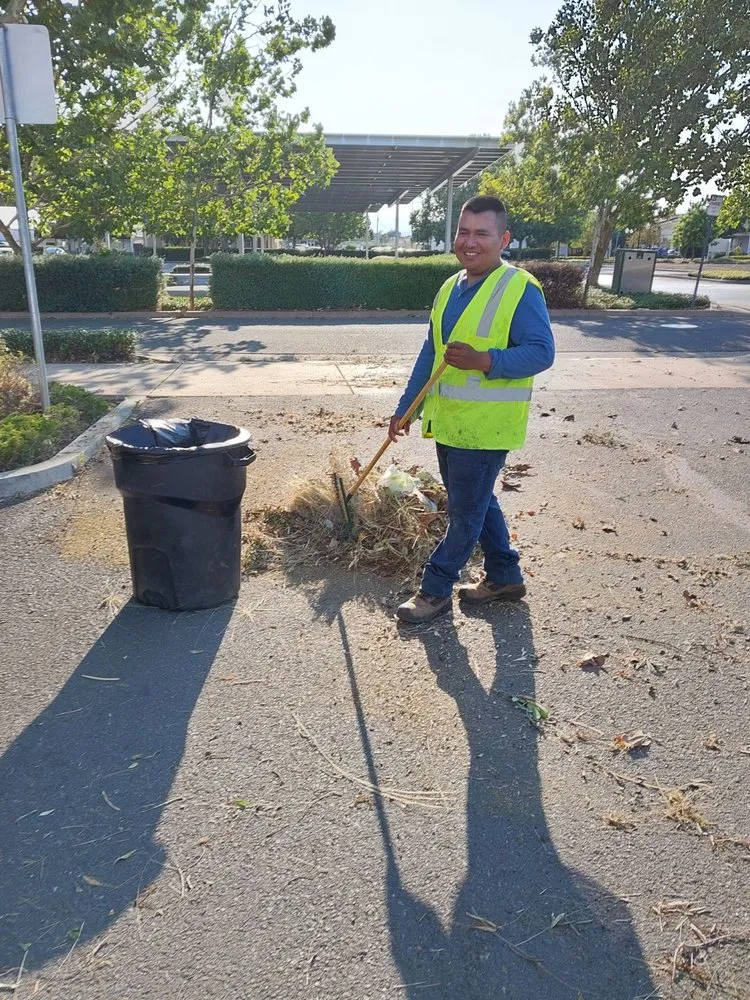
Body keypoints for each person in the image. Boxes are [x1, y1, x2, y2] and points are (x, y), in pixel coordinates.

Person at [390, 195, 555, 624]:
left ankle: (435, 589)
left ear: (503, 239)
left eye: (482, 233)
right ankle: (505, 575)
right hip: (450, 424)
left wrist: (487, 360)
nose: (470, 241)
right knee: (477, 504)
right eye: (464, 231)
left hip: (487, 429)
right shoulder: (450, 287)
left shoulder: (520, 288)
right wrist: (406, 408)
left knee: (464, 515)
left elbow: (541, 352)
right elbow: (431, 355)